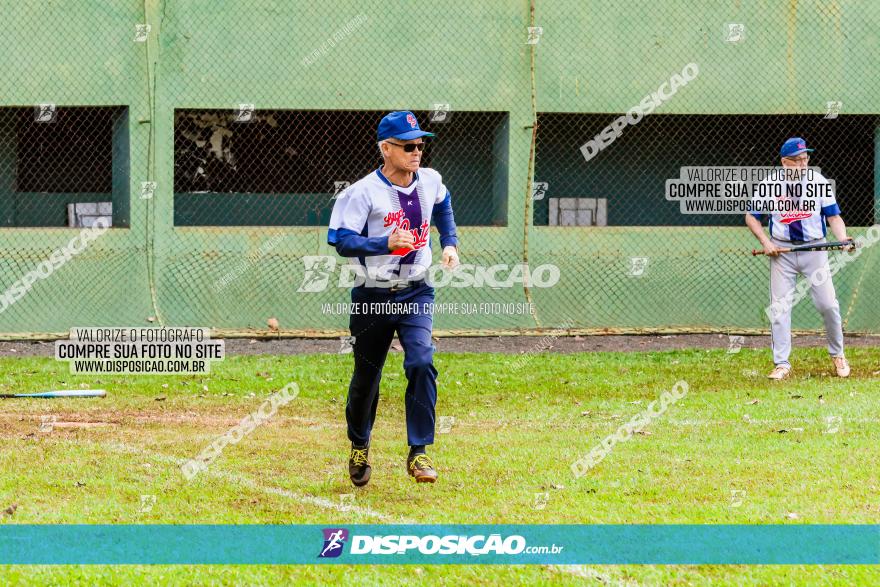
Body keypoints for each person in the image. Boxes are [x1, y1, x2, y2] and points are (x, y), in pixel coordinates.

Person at [327, 111, 460, 485]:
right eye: (407, 145)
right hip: (372, 295)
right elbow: (341, 240)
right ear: (386, 148)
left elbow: (444, 207)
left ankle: (419, 452)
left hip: (417, 290)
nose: (416, 151)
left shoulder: (430, 181)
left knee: (421, 361)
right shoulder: (362, 192)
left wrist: (450, 244)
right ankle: (359, 446)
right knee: (367, 375)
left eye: (420, 144)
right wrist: (382, 243)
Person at [745, 137, 852, 380]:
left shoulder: (818, 182)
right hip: (781, 253)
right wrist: (766, 243)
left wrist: (843, 239)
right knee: (779, 308)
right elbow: (751, 216)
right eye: (797, 160)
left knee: (828, 305)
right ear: (784, 162)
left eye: (806, 159)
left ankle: (838, 355)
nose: (803, 164)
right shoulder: (769, 185)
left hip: (815, 251)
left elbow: (834, 217)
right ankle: (781, 363)